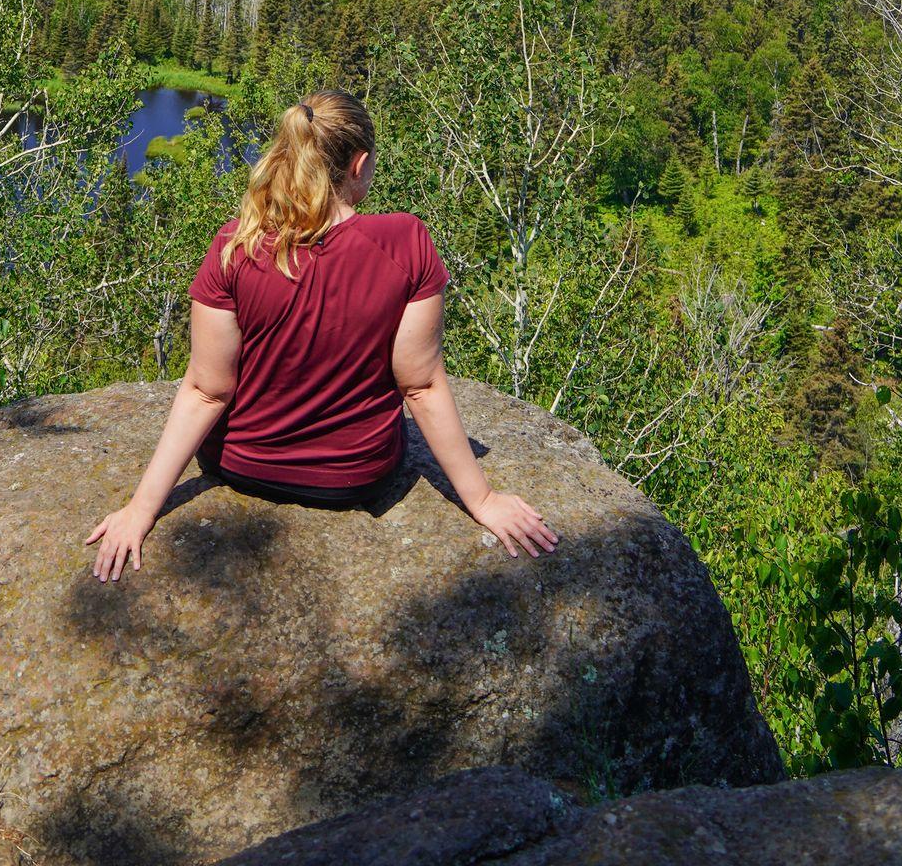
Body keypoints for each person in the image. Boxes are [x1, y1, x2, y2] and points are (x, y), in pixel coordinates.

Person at [88, 88, 558, 581]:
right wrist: (482, 500)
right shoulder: (406, 241)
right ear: (359, 164)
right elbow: (419, 385)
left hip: (241, 465)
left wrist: (140, 511)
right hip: (356, 478)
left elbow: (209, 390)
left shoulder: (234, 244)